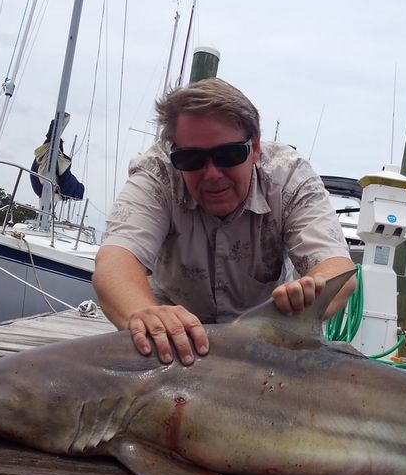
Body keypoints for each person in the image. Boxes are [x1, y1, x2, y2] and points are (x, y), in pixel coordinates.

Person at [93, 78, 355, 366]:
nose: (212, 174)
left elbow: (338, 270)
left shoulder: (289, 177)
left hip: (265, 344)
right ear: (174, 154)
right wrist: (143, 312)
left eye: (228, 155)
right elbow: (115, 260)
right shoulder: (158, 172)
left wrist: (308, 292)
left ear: (255, 149)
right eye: (191, 159)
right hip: (169, 345)